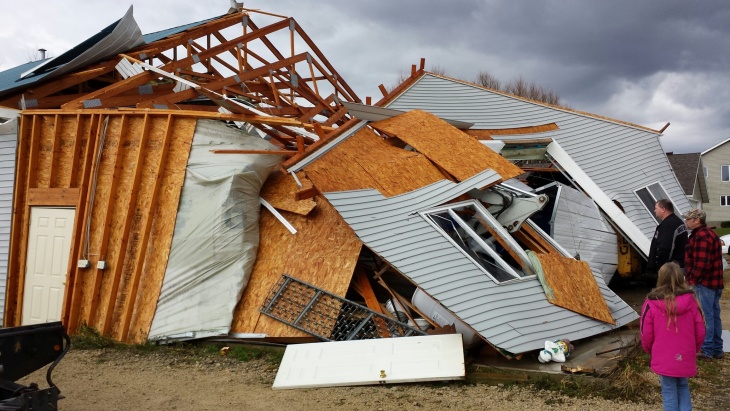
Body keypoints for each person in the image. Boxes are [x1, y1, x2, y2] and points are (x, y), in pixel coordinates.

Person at [641, 262, 705, 411]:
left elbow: (646, 333)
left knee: (669, 391)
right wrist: (694, 349)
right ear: (681, 278)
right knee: (683, 386)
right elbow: (700, 330)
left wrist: (650, 350)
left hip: (663, 355)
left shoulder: (651, 303)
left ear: (660, 278)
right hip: (685, 353)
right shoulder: (692, 301)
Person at [683, 208, 724, 359]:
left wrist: (692, 280)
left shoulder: (701, 236)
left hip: (705, 283)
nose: (686, 222)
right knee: (714, 316)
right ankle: (717, 349)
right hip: (714, 282)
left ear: (696, 220)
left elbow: (701, 264)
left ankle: (707, 350)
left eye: (688, 219)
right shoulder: (710, 234)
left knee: (706, 316)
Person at [646, 200, 688, 279]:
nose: (654, 210)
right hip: (677, 266)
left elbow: (665, 248)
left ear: (663, 209)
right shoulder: (677, 221)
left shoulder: (668, 225)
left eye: (656, 208)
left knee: (669, 290)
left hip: (670, 270)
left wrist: (660, 267)